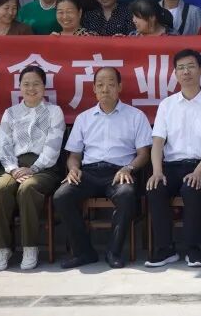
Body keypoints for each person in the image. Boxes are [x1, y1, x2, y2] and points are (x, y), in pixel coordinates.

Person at [54, 67, 152, 269]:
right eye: (100, 85)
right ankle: (84, 252)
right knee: (61, 196)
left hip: (119, 172)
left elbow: (144, 154)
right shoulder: (84, 118)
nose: (105, 89)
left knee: (126, 195)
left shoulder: (136, 116)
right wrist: (73, 169)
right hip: (88, 172)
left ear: (120, 87)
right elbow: (74, 155)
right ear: (94, 89)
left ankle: (113, 252)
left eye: (110, 84)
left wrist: (128, 168)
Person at [145, 49, 201, 268]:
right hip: (171, 166)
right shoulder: (167, 105)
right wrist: (157, 171)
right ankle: (165, 249)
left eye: (190, 67)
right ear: (175, 74)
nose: (186, 72)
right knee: (155, 187)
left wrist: (198, 172)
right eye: (180, 68)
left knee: (192, 187)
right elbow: (157, 142)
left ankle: (193, 248)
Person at [0, 65, 65, 271]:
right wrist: (13, 169)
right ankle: (3, 248)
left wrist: (34, 168)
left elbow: (53, 145)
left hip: (44, 167)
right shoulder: (10, 113)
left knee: (28, 188)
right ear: (20, 87)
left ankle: (30, 247)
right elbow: (4, 144)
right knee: (0, 189)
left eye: (36, 84)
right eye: (26, 84)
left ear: (44, 87)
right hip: (13, 165)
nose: (31, 88)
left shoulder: (54, 112)